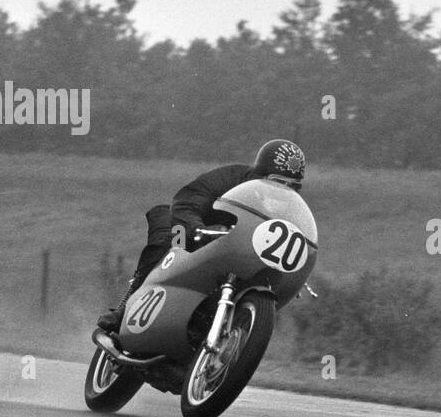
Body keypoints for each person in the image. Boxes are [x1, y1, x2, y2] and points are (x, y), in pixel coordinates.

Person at [96, 138, 306, 332]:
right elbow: (187, 201)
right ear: (260, 175)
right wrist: (197, 229)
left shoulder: (289, 213)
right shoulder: (231, 178)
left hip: (229, 249)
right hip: (185, 224)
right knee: (170, 241)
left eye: (293, 186)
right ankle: (125, 309)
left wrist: (291, 272)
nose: (284, 190)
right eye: (278, 181)